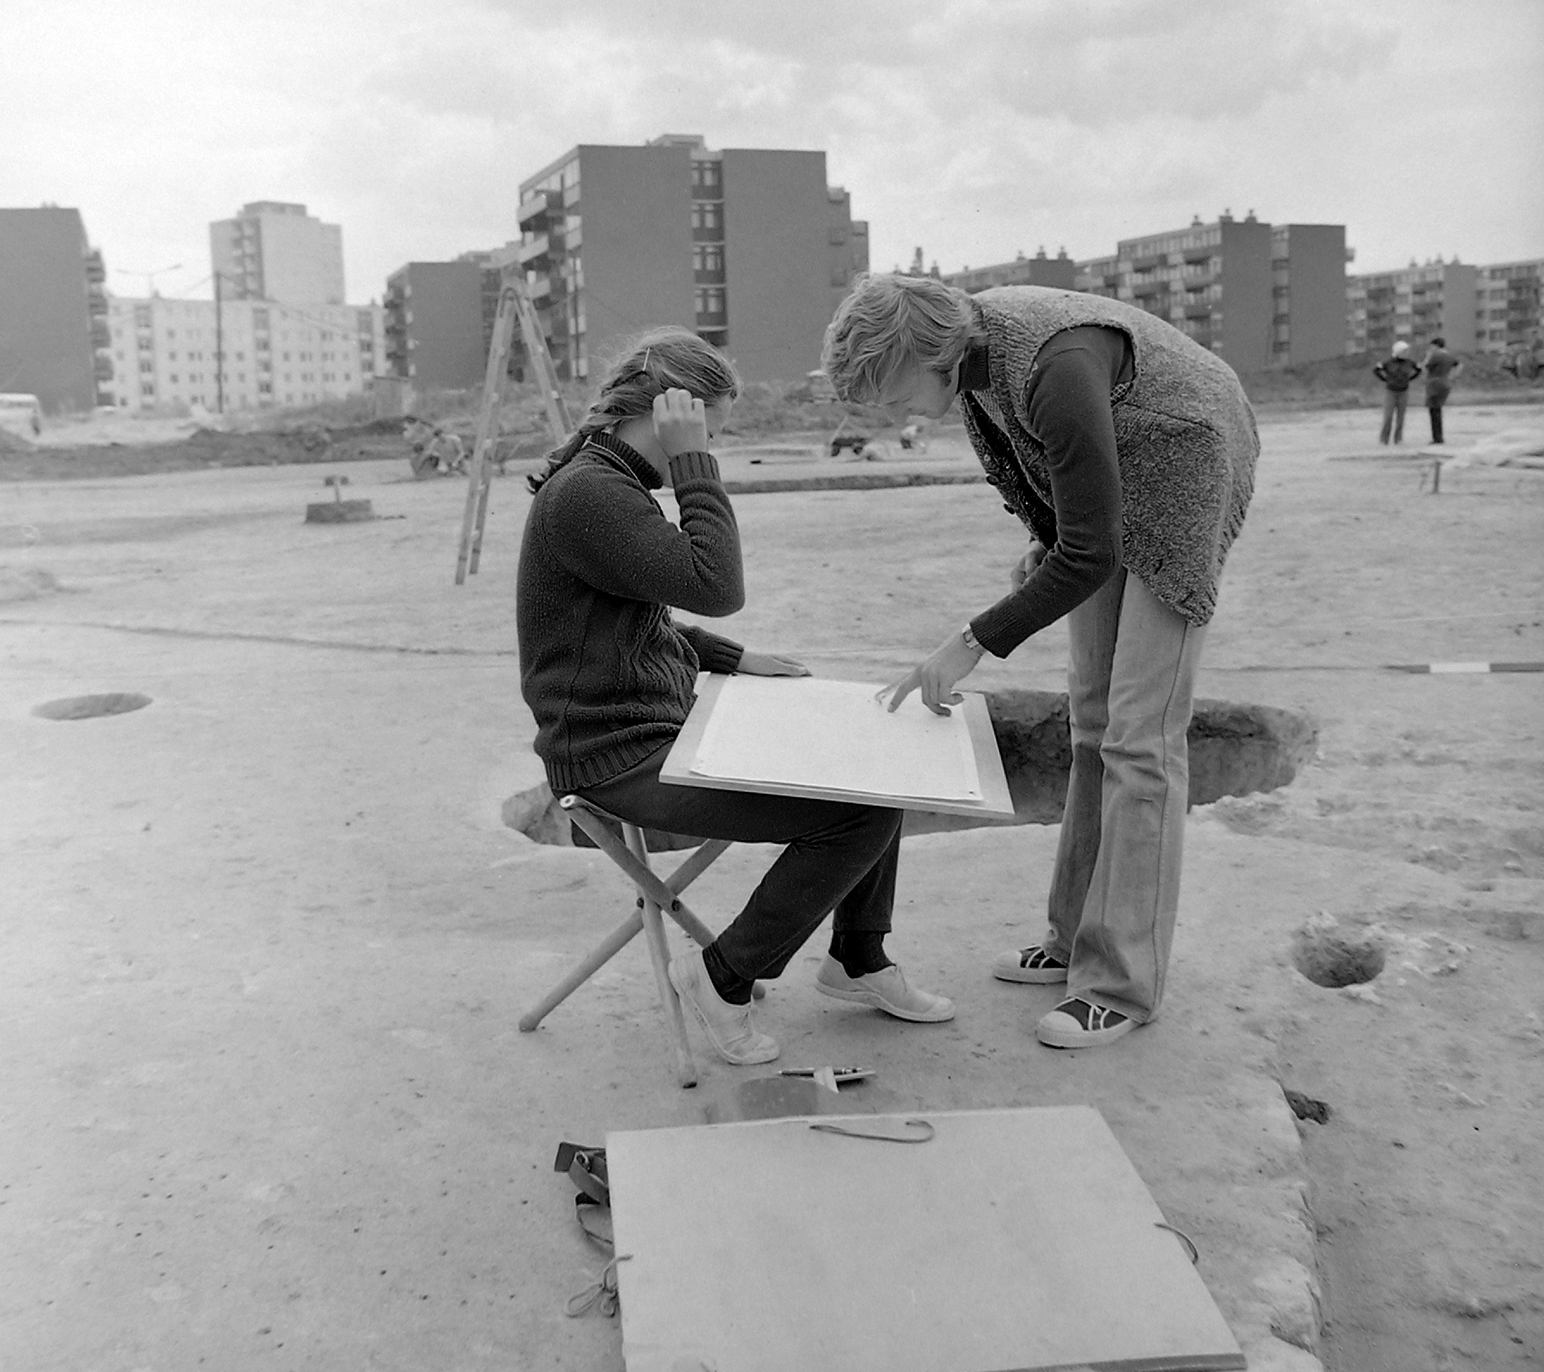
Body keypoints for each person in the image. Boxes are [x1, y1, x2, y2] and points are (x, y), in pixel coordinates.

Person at [821, 275, 1258, 1049]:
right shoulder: (976, 364)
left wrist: (971, 640)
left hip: (1189, 458)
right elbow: (1056, 483)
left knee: (1141, 739)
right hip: (1123, 476)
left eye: (891, 396)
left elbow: (1090, 548)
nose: (892, 417)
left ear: (928, 352)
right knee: (1092, 721)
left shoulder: (1050, 362)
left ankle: (1121, 981)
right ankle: (1072, 939)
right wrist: (1047, 540)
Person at [516, 328, 952, 1067]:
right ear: (668, 413)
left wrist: (733, 659)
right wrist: (695, 466)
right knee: (857, 817)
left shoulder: (608, 483)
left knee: (877, 772)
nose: (708, 445)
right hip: (613, 759)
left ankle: (857, 959)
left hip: (653, 728)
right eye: (704, 430)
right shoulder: (591, 493)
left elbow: (635, 620)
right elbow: (718, 586)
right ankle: (721, 978)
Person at [1373, 340, 1421, 445]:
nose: (1406, 353)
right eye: (1404, 351)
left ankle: (1398, 439)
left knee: (1401, 417)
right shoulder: (1388, 363)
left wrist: (1410, 379)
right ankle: (1384, 439)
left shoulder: (1410, 363)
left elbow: (1418, 370)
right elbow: (1376, 370)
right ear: (1398, 351)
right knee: (1388, 416)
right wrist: (1385, 379)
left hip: (1403, 392)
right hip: (1391, 392)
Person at [1420, 337, 1461, 446]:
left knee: (1433, 411)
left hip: (1434, 383)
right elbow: (1459, 365)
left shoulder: (1435, 355)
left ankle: (1437, 437)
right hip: (1445, 382)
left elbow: (1425, 367)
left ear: (1435, 346)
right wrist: (1453, 377)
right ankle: (1439, 436)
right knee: (1438, 409)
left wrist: (1427, 357)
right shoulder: (1449, 355)